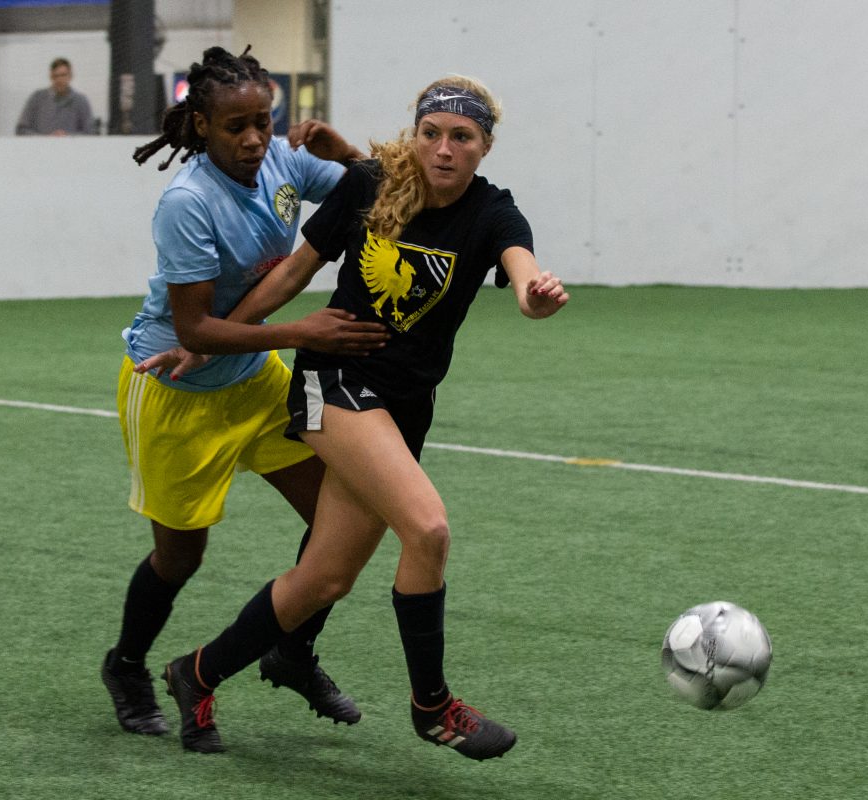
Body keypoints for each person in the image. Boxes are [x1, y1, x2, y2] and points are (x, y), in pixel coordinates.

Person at [154, 75, 569, 759]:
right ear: (416, 134)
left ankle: (193, 673)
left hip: (402, 409)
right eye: (430, 132)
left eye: (461, 137)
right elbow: (291, 276)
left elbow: (523, 272)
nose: (443, 148)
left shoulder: (494, 212)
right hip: (332, 383)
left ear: (484, 146)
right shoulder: (370, 184)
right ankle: (433, 708)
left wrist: (537, 294)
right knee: (428, 528)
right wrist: (212, 337)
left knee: (323, 580)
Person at [100, 46, 389, 742]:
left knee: (339, 522)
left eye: (263, 121)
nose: (255, 138)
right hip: (172, 388)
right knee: (181, 557)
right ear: (201, 125)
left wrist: (346, 150)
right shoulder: (187, 203)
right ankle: (128, 665)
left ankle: (290, 653)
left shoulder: (284, 164)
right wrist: (302, 330)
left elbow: (376, 193)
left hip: (255, 383)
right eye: (236, 126)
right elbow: (196, 327)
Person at [16, 57, 96, 136]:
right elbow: (22, 129)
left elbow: (90, 132)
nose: (59, 80)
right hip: (41, 148)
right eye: (55, 76)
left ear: (70, 76)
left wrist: (68, 137)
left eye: (63, 75)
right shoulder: (37, 98)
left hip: (72, 148)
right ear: (51, 77)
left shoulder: (81, 101)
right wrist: (44, 139)